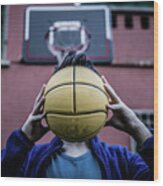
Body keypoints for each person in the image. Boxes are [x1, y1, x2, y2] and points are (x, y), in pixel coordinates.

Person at [1, 53, 153, 180]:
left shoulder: (122, 160)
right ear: (47, 101)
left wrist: (137, 128)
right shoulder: (29, 159)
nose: (75, 99)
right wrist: (23, 139)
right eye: (64, 93)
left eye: (84, 94)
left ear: (102, 99)